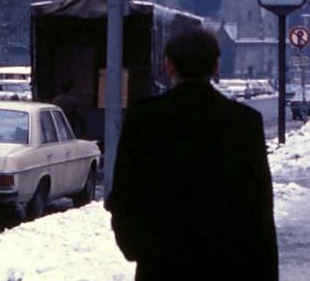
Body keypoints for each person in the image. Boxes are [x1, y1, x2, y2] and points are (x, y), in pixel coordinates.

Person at [105, 25, 279, 280]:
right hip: (228, 267)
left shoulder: (144, 118)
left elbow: (125, 196)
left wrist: (137, 248)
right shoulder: (244, 123)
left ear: (169, 65)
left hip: (161, 266)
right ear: (216, 66)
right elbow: (259, 208)